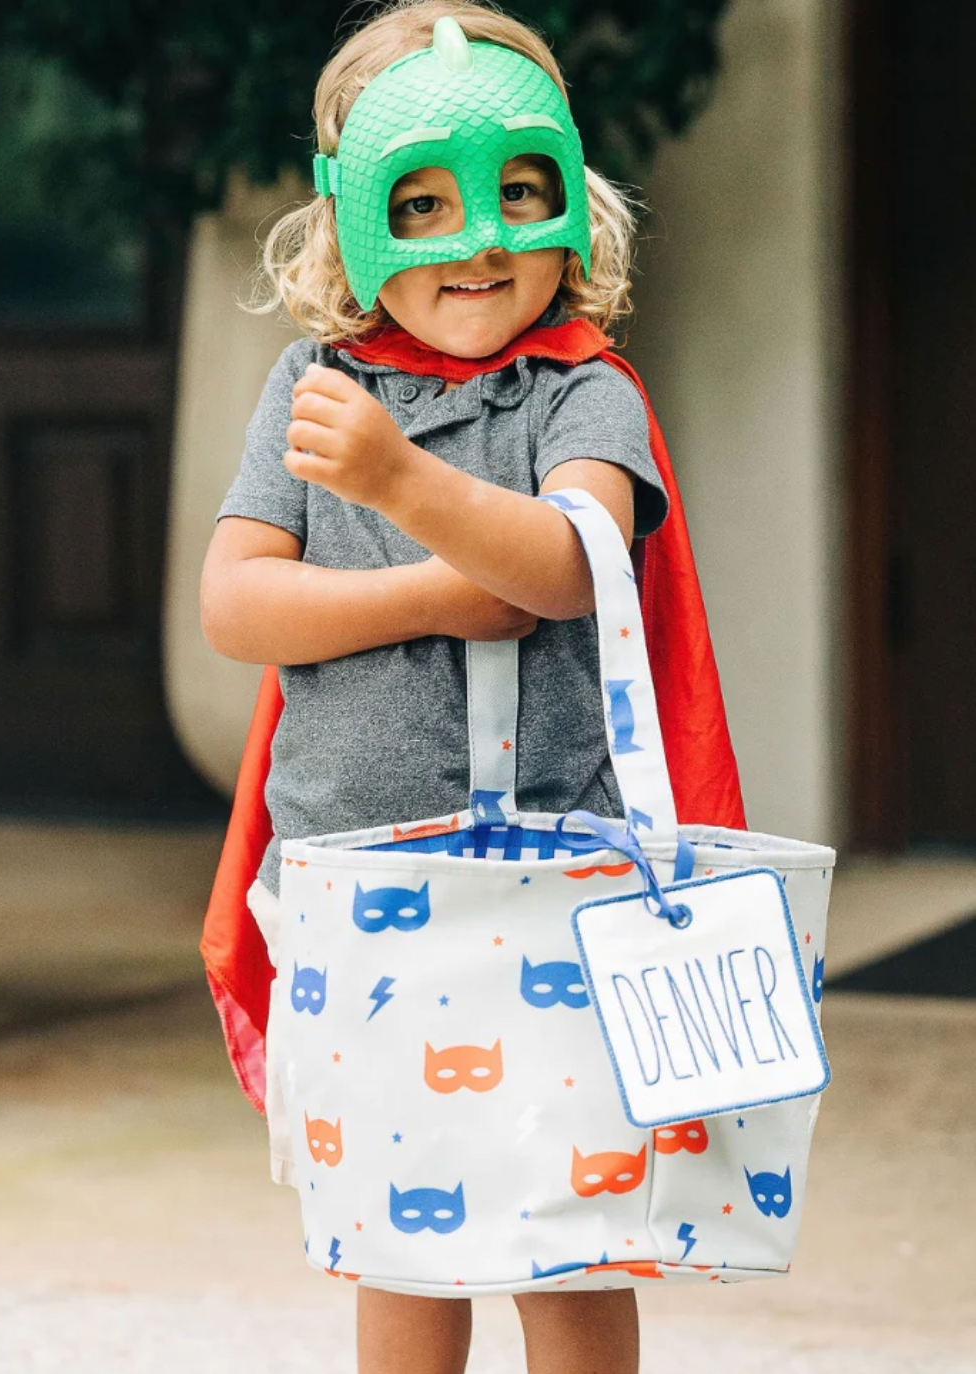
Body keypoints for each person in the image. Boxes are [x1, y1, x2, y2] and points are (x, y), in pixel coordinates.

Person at [200, 2, 744, 1370]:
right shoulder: (311, 387)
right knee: (400, 1234)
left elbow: (569, 563)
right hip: (360, 895)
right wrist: (434, 595)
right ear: (349, 222)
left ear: (570, 201)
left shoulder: (582, 391)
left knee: (567, 1229)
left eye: (516, 189)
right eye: (423, 198)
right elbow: (236, 602)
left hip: (555, 895)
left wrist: (399, 483)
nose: (481, 236)